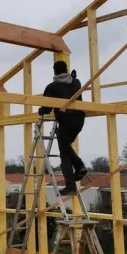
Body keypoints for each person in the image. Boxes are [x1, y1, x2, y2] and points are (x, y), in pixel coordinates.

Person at [38, 60, 88, 196]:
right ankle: (79, 166)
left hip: (66, 121)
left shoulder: (52, 87)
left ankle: (70, 186)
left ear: (54, 71)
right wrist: (74, 78)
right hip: (79, 120)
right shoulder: (76, 82)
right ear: (66, 69)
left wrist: (40, 110)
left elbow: (47, 108)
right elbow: (73, 90)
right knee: (66, 146)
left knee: (64, 153)